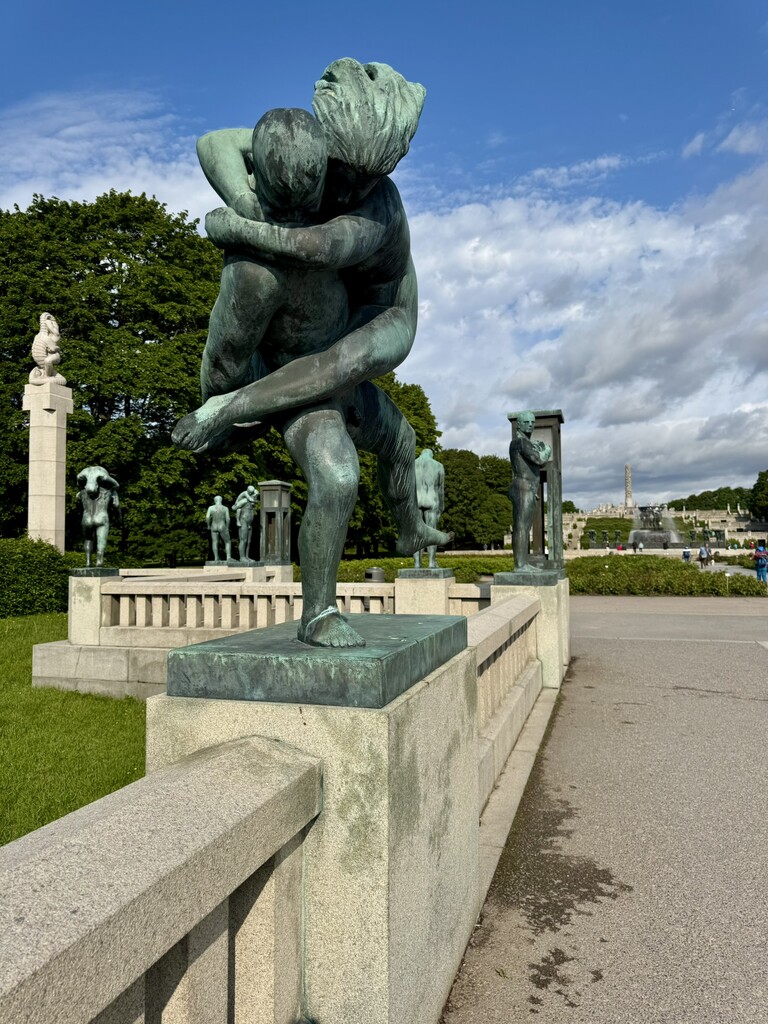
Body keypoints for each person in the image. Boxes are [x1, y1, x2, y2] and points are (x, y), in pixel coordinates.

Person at [173, 60, 451, 647]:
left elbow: (321, 248)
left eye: (363, 180)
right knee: (341, 472)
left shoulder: (378, 211)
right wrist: (244, 201)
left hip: (361, 336)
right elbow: (214, 142)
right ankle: (320, 612)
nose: (345, 190)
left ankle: (409, 531)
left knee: (395, 442)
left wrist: (236, 226)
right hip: (296, 342)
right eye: (340, 171)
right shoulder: (305, 149)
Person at [509, 411, 551, 572]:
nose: (530, 425)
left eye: (532, 422)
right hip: (523, 486)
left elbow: (537, 463)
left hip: (527, 488)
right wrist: (546, 449)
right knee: (521, 526)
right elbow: (539, 459)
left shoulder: (525, 443)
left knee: (525, 527)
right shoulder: (520, 442)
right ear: (519, 425)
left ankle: (523, 563)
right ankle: (520, 565)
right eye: (526, 422)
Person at [413, 450, 445, 569]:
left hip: (416, 502)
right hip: (431, 500)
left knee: (416, 534)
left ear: (421, 454)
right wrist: (441, 506)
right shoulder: (438, 465)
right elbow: (440, 489)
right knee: (432, 533)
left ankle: (417, 564)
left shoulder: (411, 465)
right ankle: (431, 562)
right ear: (431, 455)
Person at [232, 484, 259, 562]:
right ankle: (242, 557)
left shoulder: (252, 503)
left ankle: (247, 556)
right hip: (243, 521)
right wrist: (238, 521)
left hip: (249, 523)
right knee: (243, 540)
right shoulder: (244, 500)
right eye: (255, 496)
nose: (256, 498)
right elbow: (236, 509)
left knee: (248, 541)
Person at [206, 496, 232, 562]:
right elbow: (228, 518)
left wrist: (208, 525)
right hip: (222, 525)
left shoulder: (210, 508)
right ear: (221, 500)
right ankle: (228, 557)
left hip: (213, 526)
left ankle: (216, 558)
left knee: (214, 542)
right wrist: (227, 527)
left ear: (215, 500)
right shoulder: (225, 508)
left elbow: (207, 517)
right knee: (227, 542)